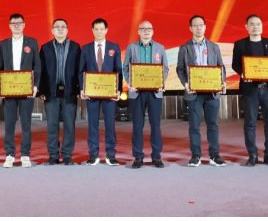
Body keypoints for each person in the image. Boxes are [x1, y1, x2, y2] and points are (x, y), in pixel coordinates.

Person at [231, 14, 268, 167]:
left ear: (262, 26)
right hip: (250, 89)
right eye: (252, 24)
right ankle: (252, 154)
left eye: (258, 24)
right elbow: (235, 64)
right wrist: (243, 74)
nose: (255, 27)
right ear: (246, 27)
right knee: (250, 123)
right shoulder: (240, 44)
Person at [176, 15, 227, 167]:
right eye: (195, 25)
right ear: (190, 28)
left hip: (212, 92)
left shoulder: (214, 47)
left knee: (213, 125)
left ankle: (214, 155)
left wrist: (222, 82)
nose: (198, 28)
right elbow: (180, 69)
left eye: (201, 25)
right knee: (194, 126)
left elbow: (220, 67)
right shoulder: (184, 48)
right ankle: (196, 156)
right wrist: (185, 83)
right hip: (194, 93)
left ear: (205, 27)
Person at [0, 13, 41, 168]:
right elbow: (0, 66)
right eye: (13, 23)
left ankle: (25, 154)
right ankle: (9, 154)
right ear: (9, 26)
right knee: (9, 123)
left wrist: (36, 85)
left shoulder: (32, 42)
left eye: (19, 23)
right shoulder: (3, 44)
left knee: (26, 123)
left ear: (24, 25)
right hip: (9, 89)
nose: (16, 25)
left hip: (26, 88)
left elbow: (37, 65)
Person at [122, 21, 168, 169]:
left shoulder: (160, 48)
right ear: (138, 31)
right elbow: (125, 67)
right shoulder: (132, 47)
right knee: (137, 125)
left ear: (153, 31)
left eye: (149, 28)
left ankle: (156, 156)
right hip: (137, 92)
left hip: (155, 92)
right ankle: (138, 157)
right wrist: (130, 82)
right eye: (143, 28)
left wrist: (161, 81)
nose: (146, 31)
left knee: (155, 125)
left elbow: (165, 69)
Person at [79, 18, 123, 166]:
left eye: (101, 29)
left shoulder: (114, 47)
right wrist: (82, 88)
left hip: (109, 93)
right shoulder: (86, 48)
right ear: (92, 31)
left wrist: (118, 90)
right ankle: (93, 154)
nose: (99, 31)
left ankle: (111, 155)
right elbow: (81, 71)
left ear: (106, 30)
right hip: (91, 93)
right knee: (92, 124)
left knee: (110, 124)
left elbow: (118, 70)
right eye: (96, 29)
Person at [38, 19, 81, 166]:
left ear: (67, 30)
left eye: (63, 27)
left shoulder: (75, 47)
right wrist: (41, 90)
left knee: (69, 125)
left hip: (70, 91)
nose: (60, 29)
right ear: (52, 30)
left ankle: (67, 155)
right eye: (57, 27)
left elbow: (79, 70)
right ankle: (53, 155)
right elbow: (41, 70)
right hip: (50, 92)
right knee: (52, 124)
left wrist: (80, 89)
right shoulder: (45, 48)